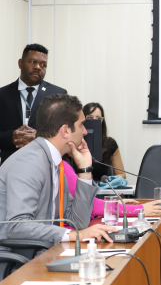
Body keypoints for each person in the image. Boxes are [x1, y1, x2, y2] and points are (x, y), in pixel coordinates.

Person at [0, 94, 117, 246]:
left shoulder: (54, 162)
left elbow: (77, 222)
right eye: (81, 125)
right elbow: (16, 226)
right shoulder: (29, 161)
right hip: (17, 260)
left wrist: (85, 170)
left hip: (41, 251)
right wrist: (72, 234)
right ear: (65, 131)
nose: (85, 132)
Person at [0, 44, 67, 164]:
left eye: (43, 65)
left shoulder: (58, 95)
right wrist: (11, 137)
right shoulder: (2, 95)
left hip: (45, 166)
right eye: (33, 61)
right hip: (10, 166)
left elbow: (66, 133)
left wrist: (40, 137)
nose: (38, 67)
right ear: (20, 63)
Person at [62, 160, 161, 219]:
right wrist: (140, 209)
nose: (84, 131)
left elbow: (85, 205)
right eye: (81, 126)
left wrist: (114, 204)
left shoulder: (63, 165)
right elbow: (90, 205)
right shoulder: (63, 167)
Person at [82, 103, 126, 180]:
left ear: (102, 121)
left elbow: (121, 174)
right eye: (90, 117)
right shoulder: (73, 144)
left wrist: (109, 181)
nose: (94, 121)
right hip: (80, 189)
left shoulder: (110, 144)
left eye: (98, 118)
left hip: (103, 189)